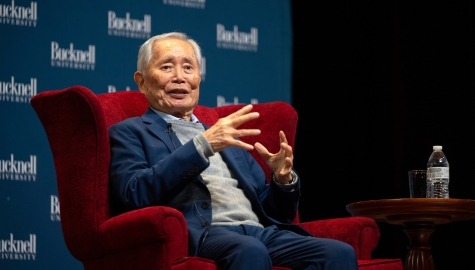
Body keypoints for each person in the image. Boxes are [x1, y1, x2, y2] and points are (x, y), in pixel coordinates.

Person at [108, 32, 358, 270]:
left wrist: (282, 181)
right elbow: (134, 194)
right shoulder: (130, 132)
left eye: (188, 67)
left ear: (198, 77)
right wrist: (203, 146)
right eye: (166, 67)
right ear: (141, 81)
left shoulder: (225, 134)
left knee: (339, 253)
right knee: (249, 250)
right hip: (204, 233)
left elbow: (273, 212)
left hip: (259, 231)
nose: (179, 76)